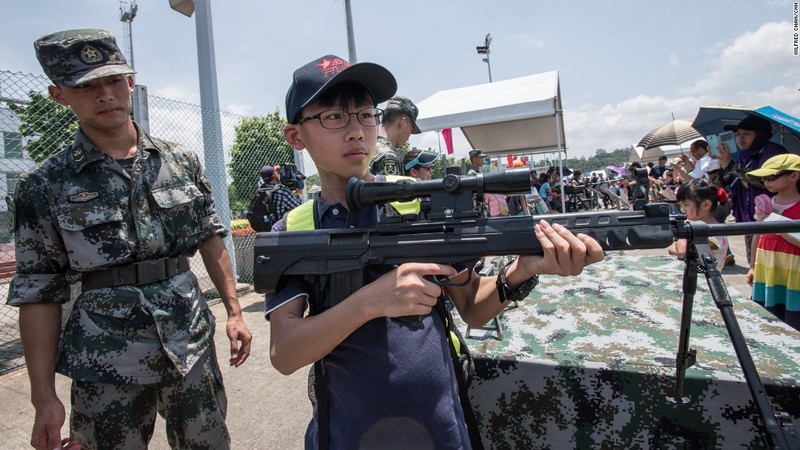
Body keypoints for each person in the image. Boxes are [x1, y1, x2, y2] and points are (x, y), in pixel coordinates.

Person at [268, 54, 604, 449]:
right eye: (334, 118)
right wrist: (369, 302)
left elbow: (473, 307)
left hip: (441, 430)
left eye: (365, 115)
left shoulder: (418, 207)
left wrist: (523, 270)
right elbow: (285, 353)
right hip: (346, 434)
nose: (357, 132)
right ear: (295, 136)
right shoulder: (294, 229)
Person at [7, 29, 252, 450]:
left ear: (130, 83)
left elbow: (210, 237)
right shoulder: (43, 184)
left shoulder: (180, 160)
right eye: (85, 85)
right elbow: (38, 291)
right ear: (59, 95)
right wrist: (43, 398)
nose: (105, 94)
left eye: (113, 80)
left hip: (188, 340)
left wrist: (234, 310)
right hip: (106, 357)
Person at [714, 115, 788, 263]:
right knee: (754, 263)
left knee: (770, 261)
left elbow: (765, 181)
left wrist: (730, 164)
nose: (741, 139)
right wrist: (717, 166)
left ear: (760, 135)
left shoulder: (773, 151)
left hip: (771, 216)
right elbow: (727, 184)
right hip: (750, 217)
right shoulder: (744, 155)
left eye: (747, 134)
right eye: (738, 134)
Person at [745, 154, 800, 331]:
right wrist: (752, 266)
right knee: (768, 318)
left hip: (794, 269)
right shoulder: (766, 204)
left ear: (794, 175)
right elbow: (757, 234)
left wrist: (775, 221)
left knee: (793, 317)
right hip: (767, 267)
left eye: (772, 176)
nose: (766, 182)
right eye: (764, 178)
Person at [667, 179, 729, 271]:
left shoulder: (707, 232)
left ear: (706, 205)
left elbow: (681, 251)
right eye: (681, 205)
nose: (682, 209)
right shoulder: (709, 227)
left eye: (686, 205)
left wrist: (682, 229)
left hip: (703, 282)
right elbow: (672, 249)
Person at [369, 95, 421, 176]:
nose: (409, 135)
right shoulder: (388, 156)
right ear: (403, 122)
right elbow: (389, 188)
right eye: (411, 128)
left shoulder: (368, 147)